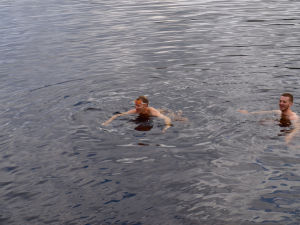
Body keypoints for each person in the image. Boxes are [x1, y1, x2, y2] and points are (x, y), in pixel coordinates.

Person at [102, 96, 172, 132]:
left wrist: (166, 127)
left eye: (138, 105)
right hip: (145, 115)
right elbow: (118, 115)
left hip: (160, 113)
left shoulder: (153, 112)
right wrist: (107, 122)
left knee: (176, 118)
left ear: (145, 106)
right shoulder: (136, 111)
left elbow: (167, 118)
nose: (136, 107)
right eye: (135, 105)